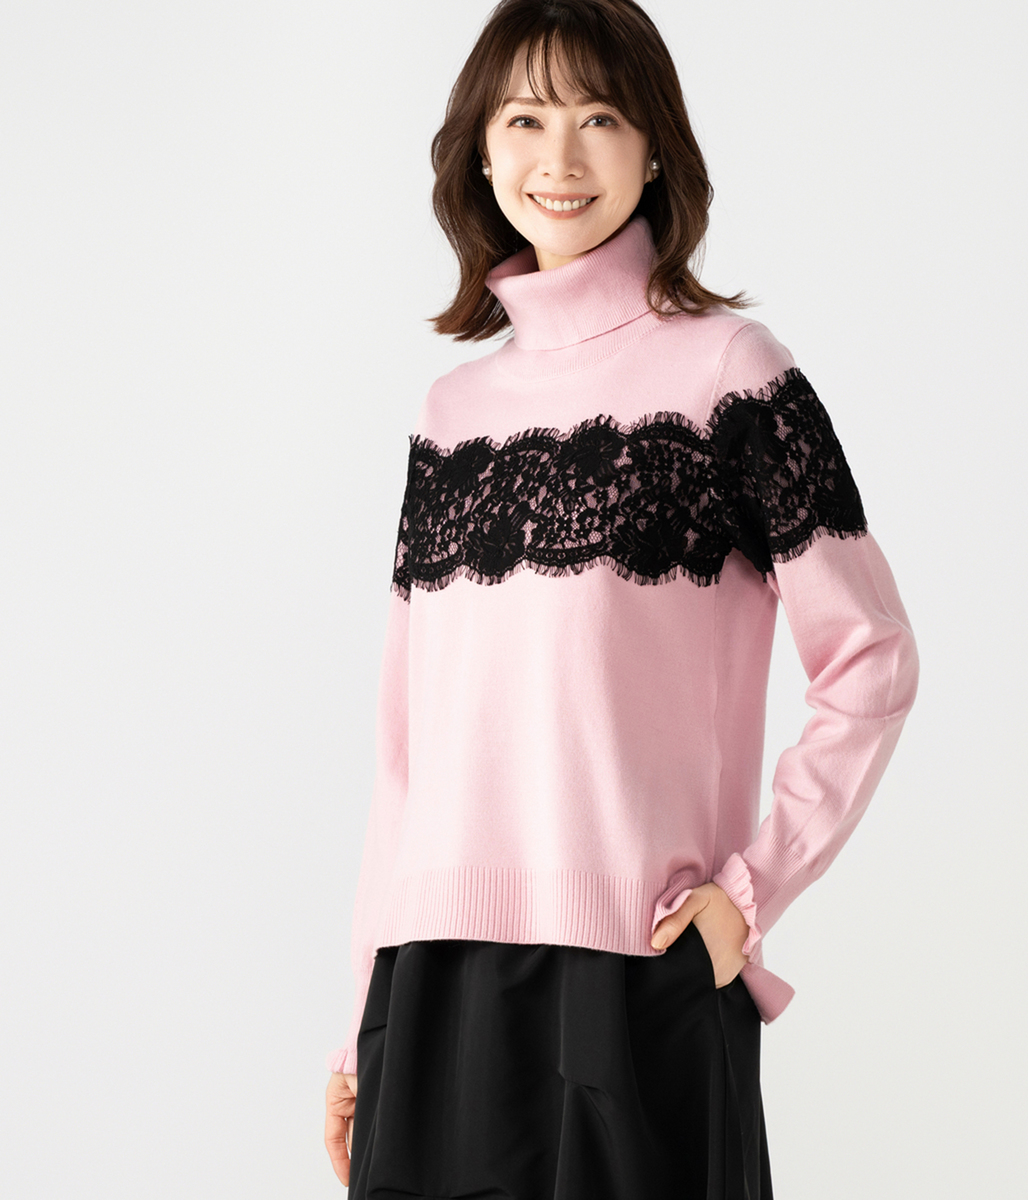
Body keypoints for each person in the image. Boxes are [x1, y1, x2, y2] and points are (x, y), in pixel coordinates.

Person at [323, 1, 919, 1196]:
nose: (560, 157)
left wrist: (748, 896)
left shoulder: (732, 375)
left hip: (639, 974)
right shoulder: (450, 417)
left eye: (599, 117)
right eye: (525, 119)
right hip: (433, 985)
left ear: (654, 149)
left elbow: (872, 656)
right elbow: (405, 751)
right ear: (479, 151)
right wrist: (359, 1028)